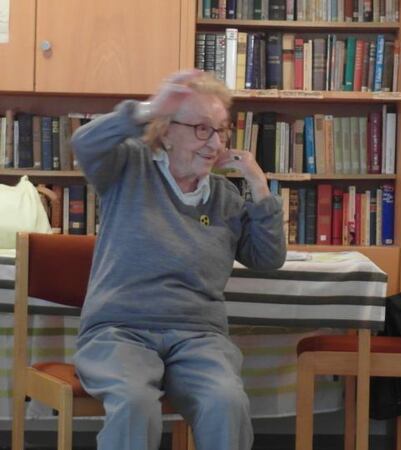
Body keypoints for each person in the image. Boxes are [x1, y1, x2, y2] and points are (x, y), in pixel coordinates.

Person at [71, 70, 286, 450]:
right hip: (120, 330)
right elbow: (85, 143)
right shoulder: (129, 168)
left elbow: (267, 258)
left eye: (221, 130)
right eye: (202, 129)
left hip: (199, 338)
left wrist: (259, 188)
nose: (214, 143)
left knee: (226, 401)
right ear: (166, 132)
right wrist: (149, 108)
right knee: (135, 404)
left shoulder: (225, 197)